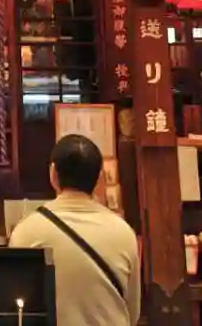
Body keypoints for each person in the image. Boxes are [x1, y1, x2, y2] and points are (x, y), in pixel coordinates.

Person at [8, 135, 140, 326]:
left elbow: (18, 311)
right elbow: (132, 312)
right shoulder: (124, 233)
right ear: (99, 178)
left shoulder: (27, 231)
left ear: (53, 174)